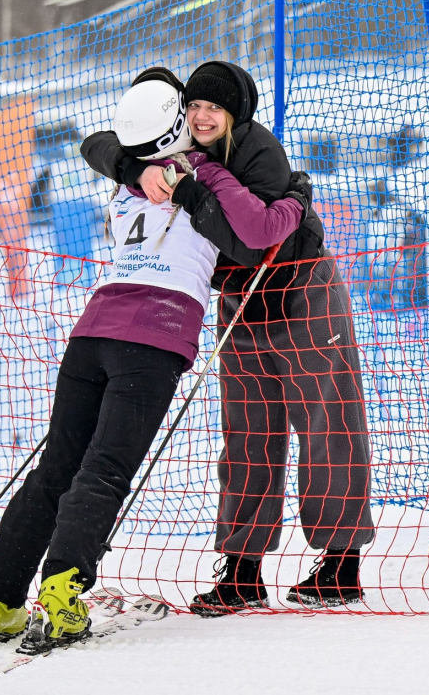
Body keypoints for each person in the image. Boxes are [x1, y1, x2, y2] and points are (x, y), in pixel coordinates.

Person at [0, 72, 307, 655]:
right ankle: (63, 593)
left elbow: (102, 148)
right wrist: (294, 201)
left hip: (92, 330)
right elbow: (253, 234)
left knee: (58, 467)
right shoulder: (206, 172)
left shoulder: (128, 179)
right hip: (154, 337)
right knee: (104, 469)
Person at [81, 61, 375, 617]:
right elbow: (97, 144)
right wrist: (130, 167)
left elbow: (250, 244)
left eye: (214, 107)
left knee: (325, 422)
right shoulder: (176, 149)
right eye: (194, 106)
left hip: (298, 290)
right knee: (247, 432)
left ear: (235, 113)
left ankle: (341, 561)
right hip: (239, 304)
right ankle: (242, 569)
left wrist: (200, 190)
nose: (202, 115)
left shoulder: (258, 152)